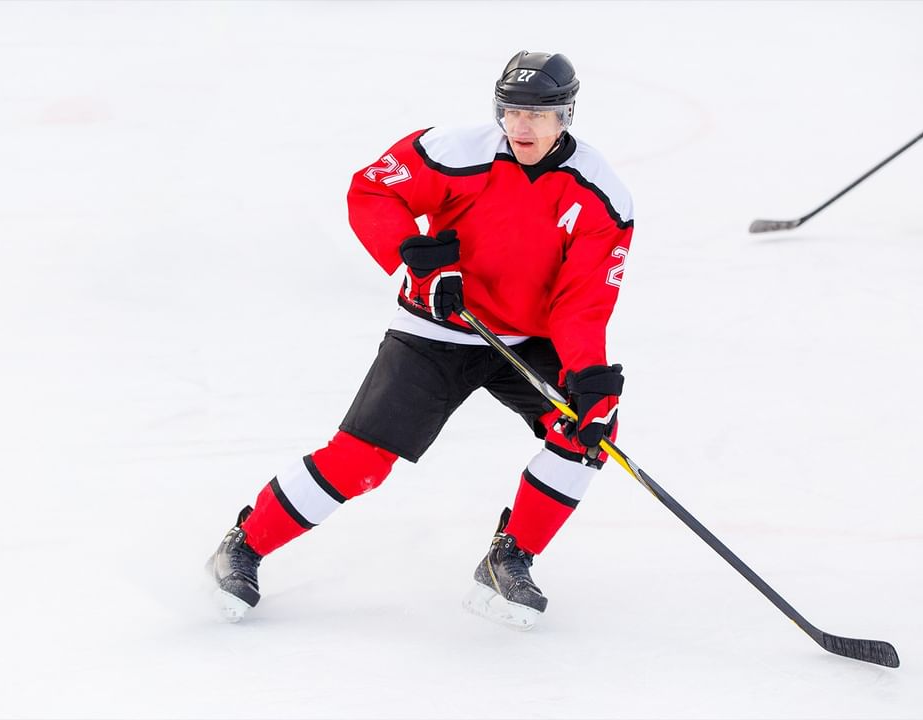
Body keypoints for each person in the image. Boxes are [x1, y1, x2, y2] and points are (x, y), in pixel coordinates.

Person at [205, 50, 634, 630]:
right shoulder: (456, 150)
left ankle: (509, 556)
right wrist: (420, 266)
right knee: (361, 462)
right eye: (511, 110)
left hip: (526, 339)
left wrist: (589, 377)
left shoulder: (601, 194)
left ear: (568, 116)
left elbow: (582, 301)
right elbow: (373, 191)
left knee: (587, 432)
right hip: (436, 328)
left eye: (539, 113)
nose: (521, 125)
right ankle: (244, 544)